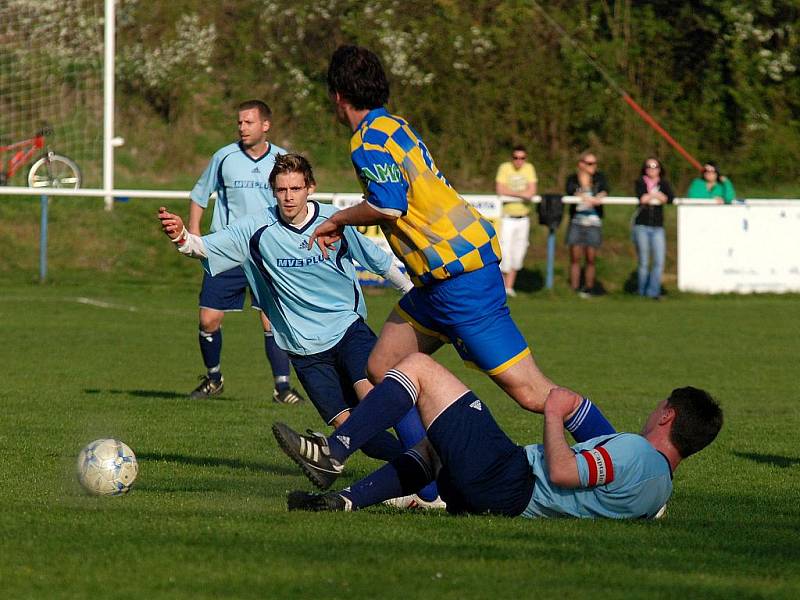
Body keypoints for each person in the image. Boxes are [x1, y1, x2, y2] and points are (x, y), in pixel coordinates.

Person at [308, 45, 601, 426]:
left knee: (532, 393)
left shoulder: (366, 141)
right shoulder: (394, 125)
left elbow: (389, 205)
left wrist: (339, 218)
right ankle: (428, 481)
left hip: (461, 277)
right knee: (382, 368)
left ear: (337, 95)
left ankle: (621, 458)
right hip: (437, 282)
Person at [158, 154, 440, 502]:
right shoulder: (255, 229)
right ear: (272, 192)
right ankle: (423, 473)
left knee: (378, 401)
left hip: (347, 330)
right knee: (353, 432)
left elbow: (380, 262)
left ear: (310, 188)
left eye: (295, 188)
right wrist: (181, 235)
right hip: (304, 351)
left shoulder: (333, 222)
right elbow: (201, 248)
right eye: (281, 190)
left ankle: (430, 490)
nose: (289, 196)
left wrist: (413, 294)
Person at [274, 353, 722, 519]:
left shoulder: (635, 450)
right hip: (498, 499)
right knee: (434, 445)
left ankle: (333, 451)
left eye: (658, 405)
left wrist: (553, 412)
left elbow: (564, 472)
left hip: (508, 480)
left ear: (668, 414)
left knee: (418, 367)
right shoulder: (659, 490)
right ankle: (344, 501)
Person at [187, 99, 304, 404]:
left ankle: (283, 389)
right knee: (208, 321)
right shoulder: (224, 157)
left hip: (266, 250)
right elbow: (200, 195)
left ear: (265, 125)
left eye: (248, 122)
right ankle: (213, 380)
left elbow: (294, 202)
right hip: (226, 248)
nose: (242, 127)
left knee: (272, 320)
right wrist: (195, 234)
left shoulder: (281, 160)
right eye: (239, 122)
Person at [495, 145, 538, 297]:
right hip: (507, 218)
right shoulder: (504, 168)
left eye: (522, 158)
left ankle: (509, 287)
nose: (519, 161)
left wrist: (514, 193)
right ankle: (500, 287)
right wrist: (521, 194)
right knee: (504, 252)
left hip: (523, 218)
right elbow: (500, 190)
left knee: (518, 252)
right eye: (516, 158)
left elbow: (532, 191)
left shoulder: (529, 168)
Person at [565, 151, 608, 297]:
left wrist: (597, 198)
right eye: (589, 163)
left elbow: (605, 190)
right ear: (581, 164)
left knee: (591, 258)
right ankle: (574, 289)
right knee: (575, 257)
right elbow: (570, 190)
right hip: (576, 222)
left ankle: (589, 288)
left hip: (594, 223)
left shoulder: (599, 178)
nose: (593, 166)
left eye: (594, 163)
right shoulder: (573, 178)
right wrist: (583, 196)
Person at [632, 157, 675, 299]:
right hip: (641, 226)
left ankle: (653, 292)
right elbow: (642, 198)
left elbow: (669, 198)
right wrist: (655, 195)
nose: (652, 169)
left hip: (658, 227)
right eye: (649, 166)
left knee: (658, 261)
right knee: (644, 261)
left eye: (655, 166)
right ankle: (641, 291)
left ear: (660, 169)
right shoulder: (640, 182)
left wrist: (652, 196)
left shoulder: (664, 183)